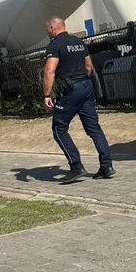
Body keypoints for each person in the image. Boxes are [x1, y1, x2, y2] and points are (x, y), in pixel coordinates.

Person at [43, 16, 115, 183]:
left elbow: (49, 71)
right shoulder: (78, 42)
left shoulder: (54, 45)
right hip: (86, 87)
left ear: (53, 27)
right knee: (94, 128)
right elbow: (88, 65)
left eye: (48, 29)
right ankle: (106, 166)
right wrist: (82, 81)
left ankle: (76, 167)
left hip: (70, 91)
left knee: (59, 129)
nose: (48, 32)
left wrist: (47, 95)